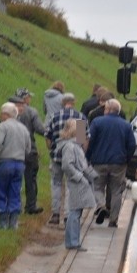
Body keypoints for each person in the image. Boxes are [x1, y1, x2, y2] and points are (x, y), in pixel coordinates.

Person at [87, 99, 136, 228]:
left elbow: (89, 141)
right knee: (116, 191)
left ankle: (101, 205)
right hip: (119, 163)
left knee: (97, 187)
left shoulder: (97, 122)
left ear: (107, 110)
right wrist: (126, 158)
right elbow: (132, 145)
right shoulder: (126, 125)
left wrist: (88, 157)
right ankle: (113, 220)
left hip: (99, 161)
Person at [45, 93, 88, 226]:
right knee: (71, 185)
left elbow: (48, 137)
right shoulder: (80, 117)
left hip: (57, 155)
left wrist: (51, 150)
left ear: (62, 103)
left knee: (56, 183)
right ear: (73, 103)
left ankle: (55, 214)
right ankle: (68, 215)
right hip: (74, 157)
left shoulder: (54, 116)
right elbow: (83, 140)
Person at [56, 119, 98, 250]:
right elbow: (67, 165)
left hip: (81, 181)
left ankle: (73, 241)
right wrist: (79, 177)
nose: (84, 133)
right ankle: (72, 242)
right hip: (77, 182)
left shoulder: (75, 145)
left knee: (76, 212)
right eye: (81, 130)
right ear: (75, 131)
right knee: (74, 212)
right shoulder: (70, 146)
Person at [0, 102, 31, 229]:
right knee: (15, 192)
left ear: (5, 114)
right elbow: (28, 148)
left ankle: (2, 222)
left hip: (4, 162)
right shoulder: (23, 128)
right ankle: (13, 223)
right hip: (19, 164)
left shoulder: (3, 127)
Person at [13, 88, 46, 215]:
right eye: (29, 97)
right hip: (30, 150)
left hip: (14, 150)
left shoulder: (9, 110)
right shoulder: (31, 111)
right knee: (31, 178)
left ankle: (12, 205)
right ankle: (31, 206)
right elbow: (41, 129)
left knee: (14, 179)